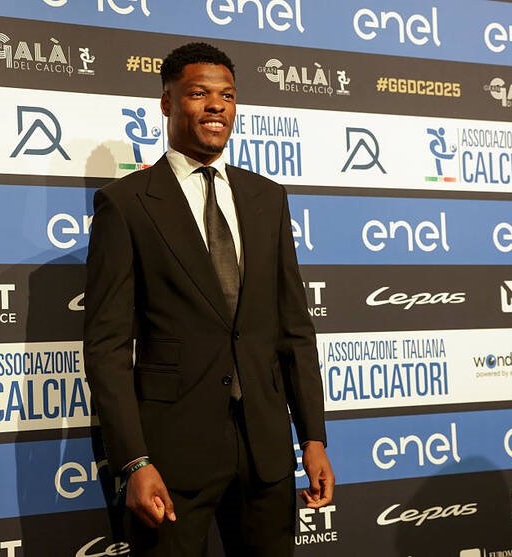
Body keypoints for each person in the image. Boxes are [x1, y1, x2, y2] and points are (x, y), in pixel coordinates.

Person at [83, 42, 334, 557]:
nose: (216, 105)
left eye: (227, 95)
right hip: (170, 456)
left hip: (265, 450)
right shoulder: (125, 205)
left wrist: (313, 437)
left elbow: (293, 327)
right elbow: (107, 347)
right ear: (167, 102)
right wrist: (133, 461)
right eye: (199, 93)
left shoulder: (267, 197)